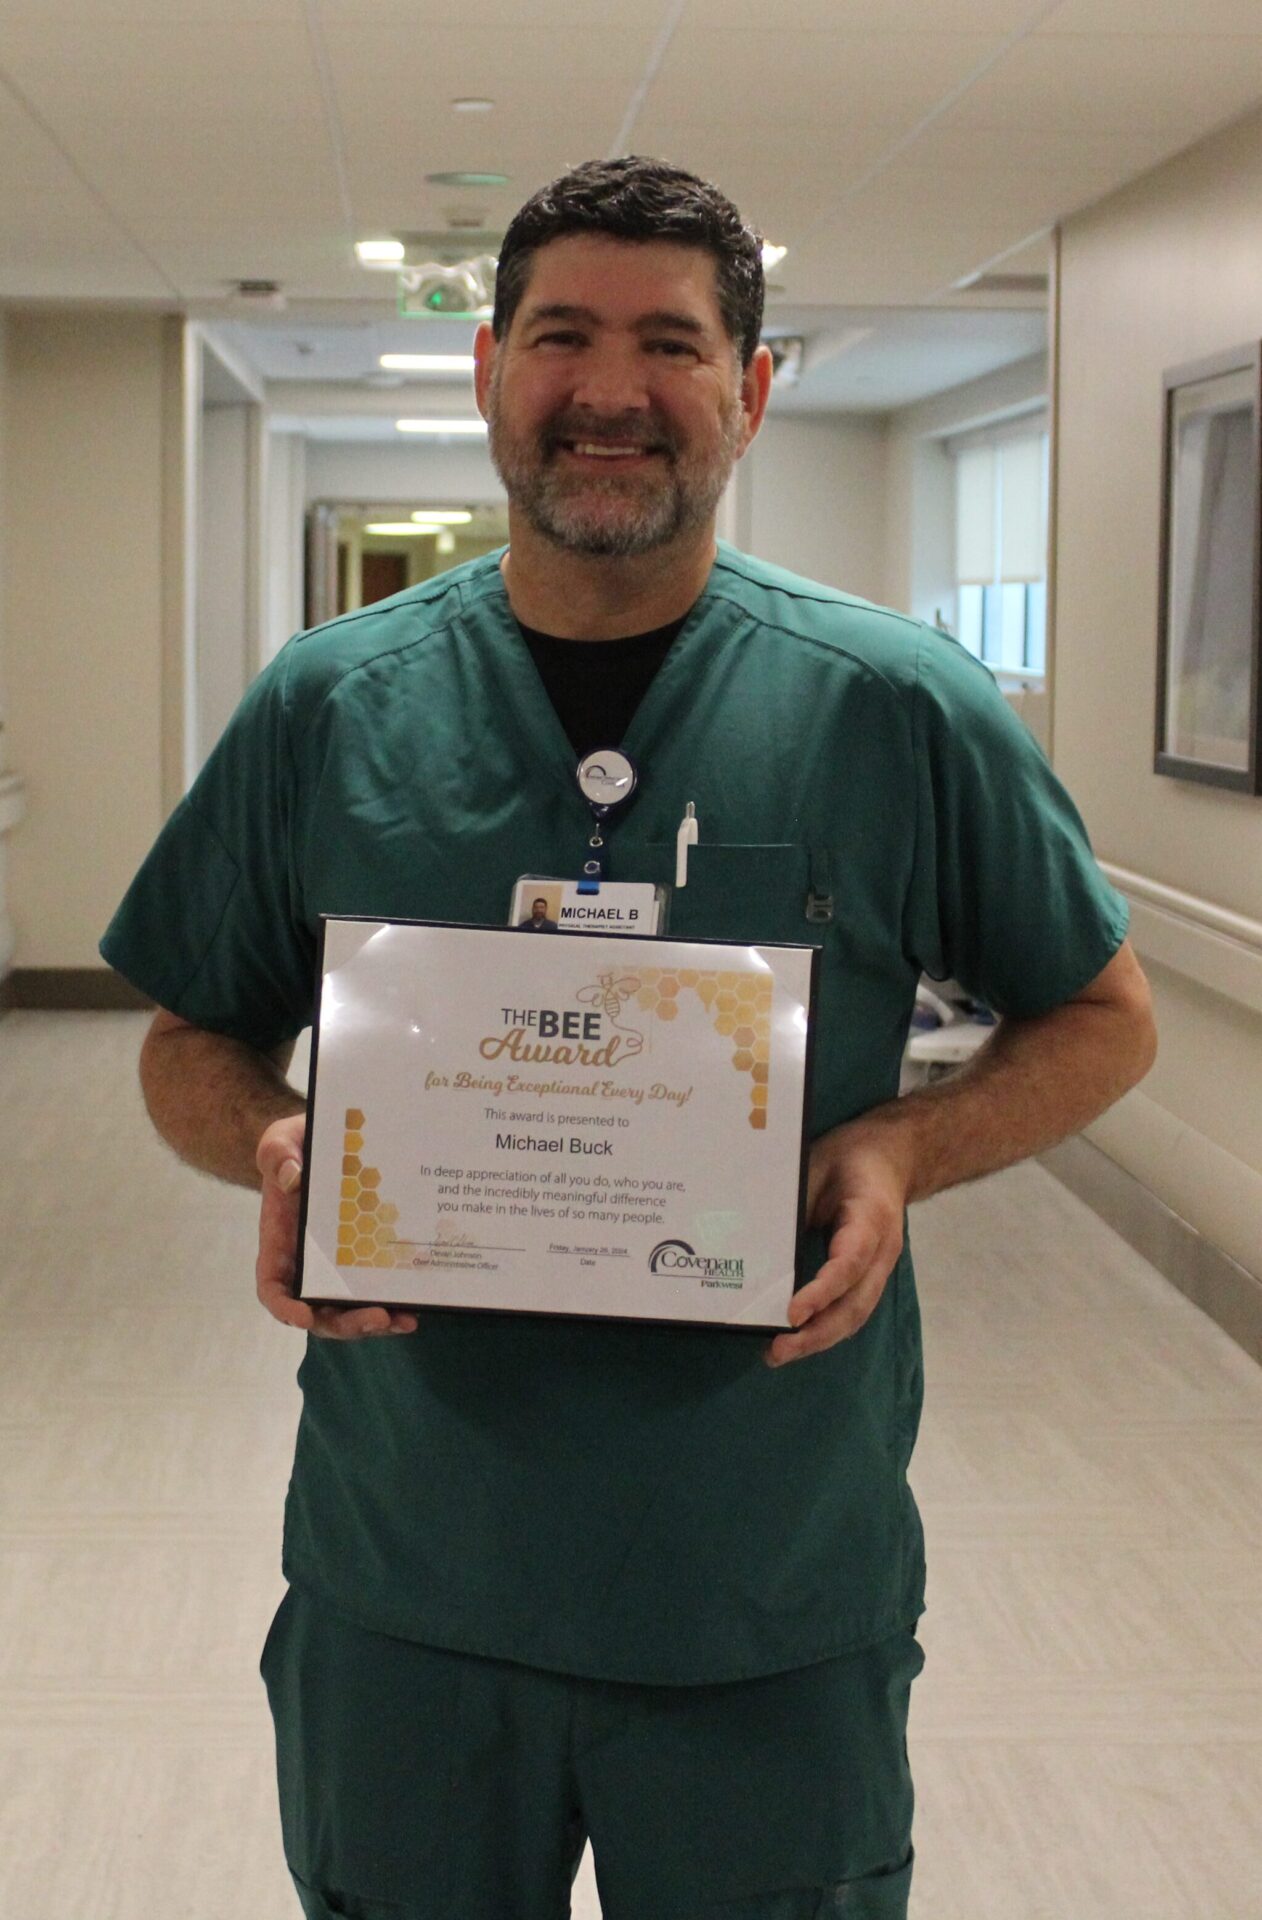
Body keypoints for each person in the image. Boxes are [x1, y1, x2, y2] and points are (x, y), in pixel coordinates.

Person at [102, 156, 1156, 1920]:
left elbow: (1101, 1018)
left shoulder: (892, 707)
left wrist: (898, 1144)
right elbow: (184, 1040)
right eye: (560, 337)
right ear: (488, 374)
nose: (609, 392)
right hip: (415, 1572)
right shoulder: (330, 705)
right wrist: (279, 1141)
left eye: (669, 344)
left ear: (750, 389)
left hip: (763, 1576)